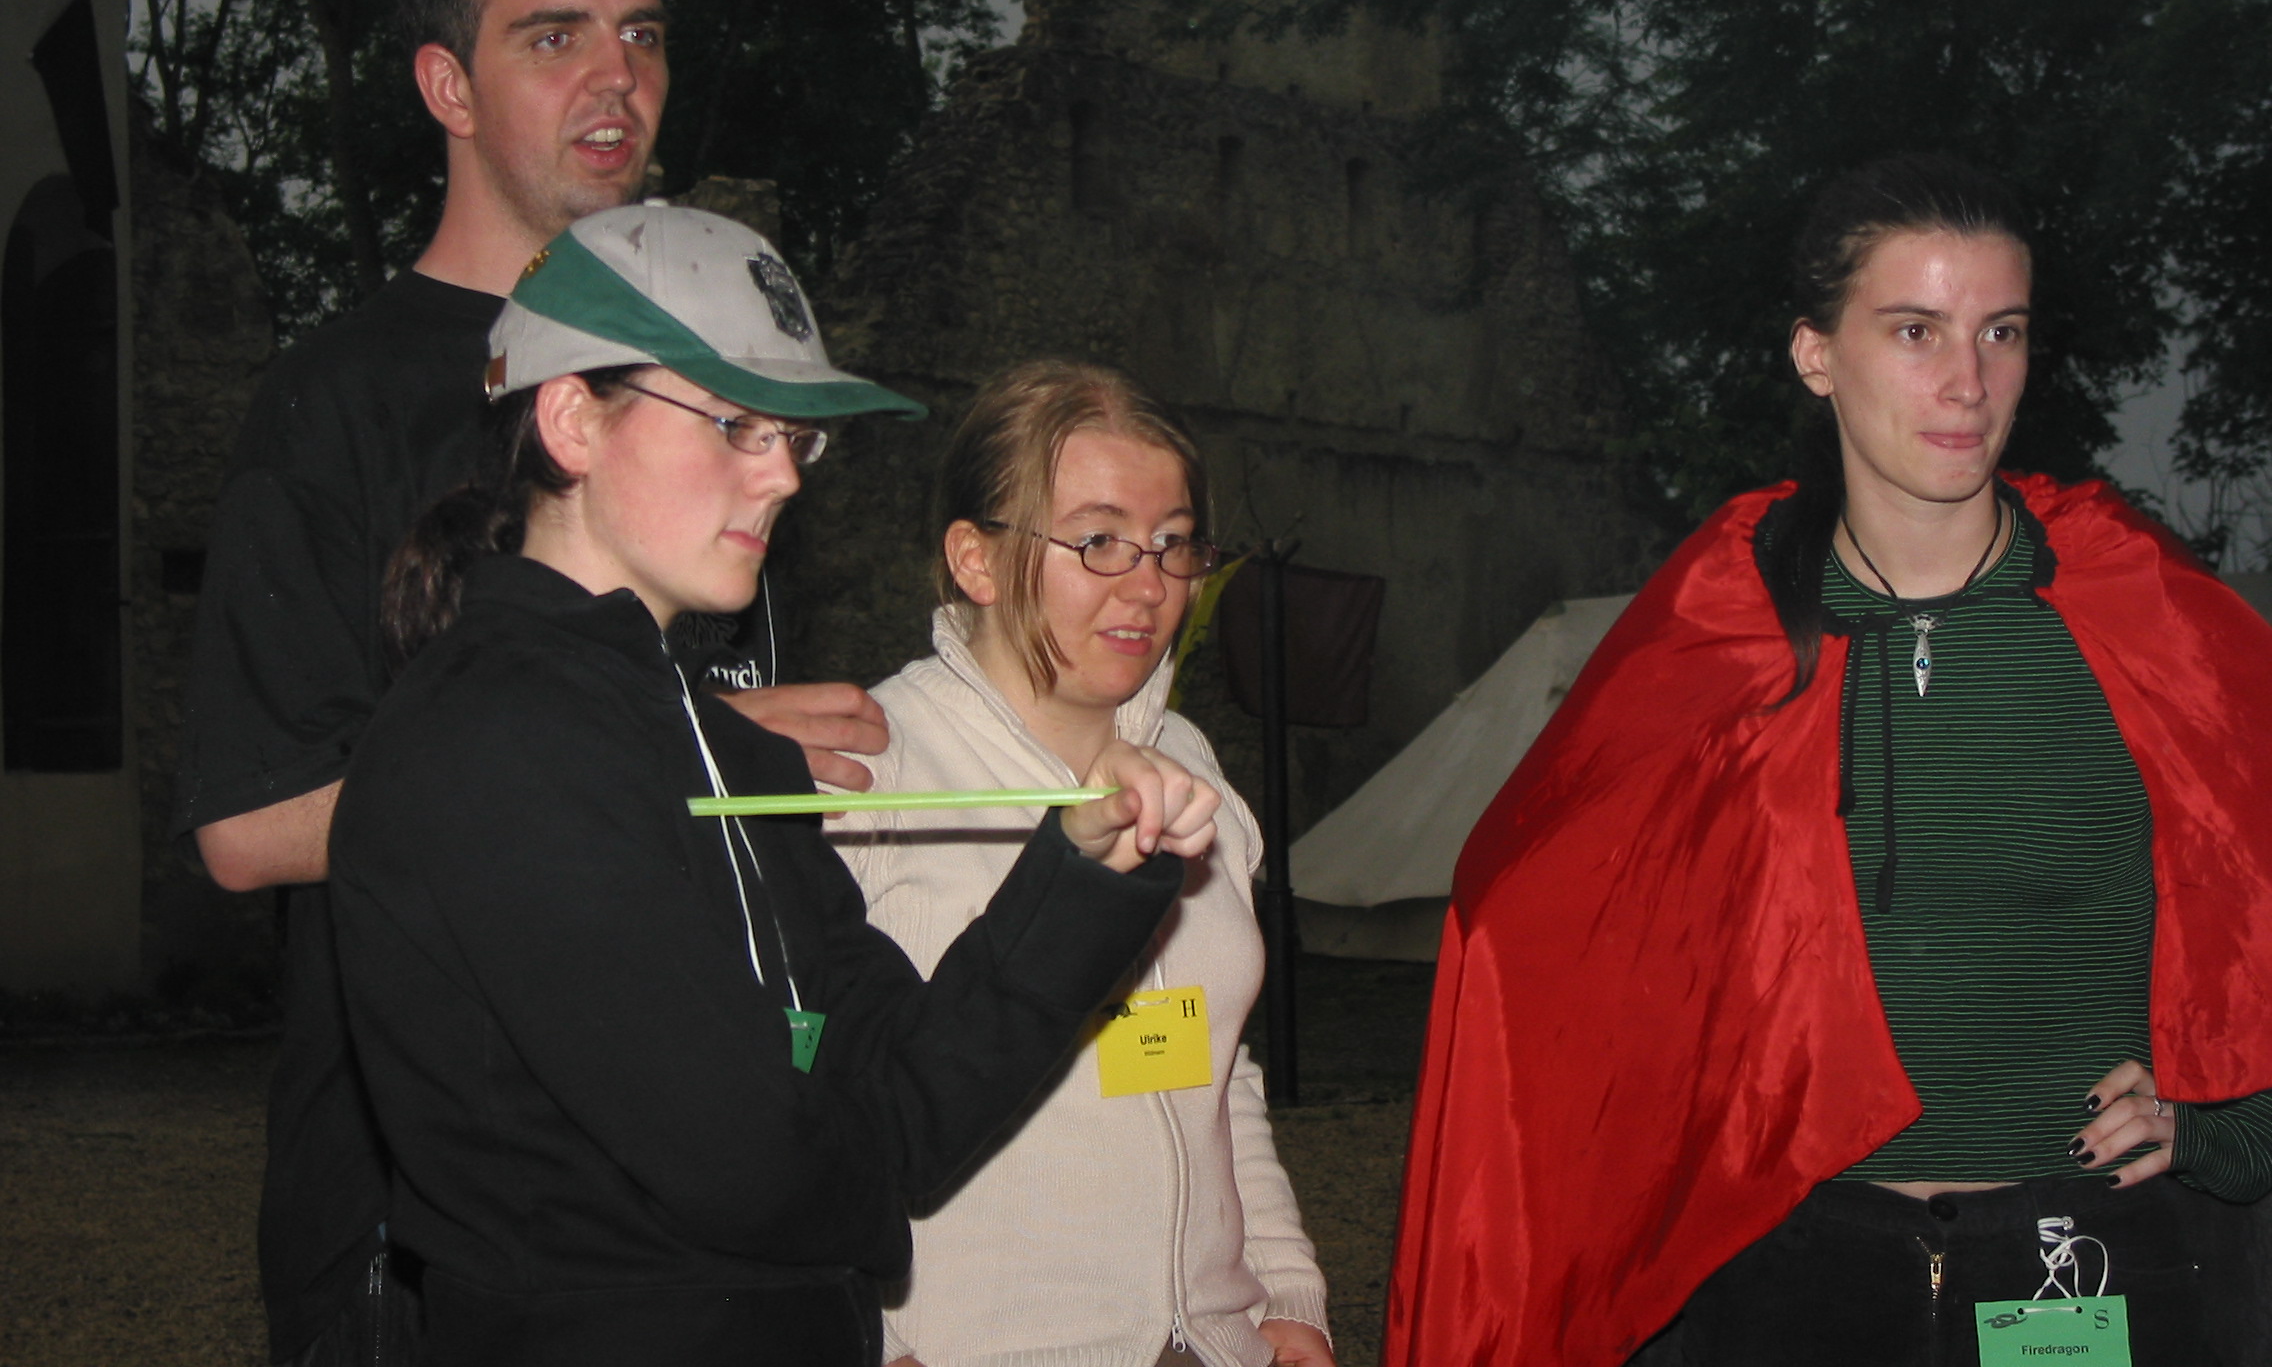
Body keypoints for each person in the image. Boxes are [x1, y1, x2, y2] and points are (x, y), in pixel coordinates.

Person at [1385, 154, 2272, 1367]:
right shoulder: (1725, 620)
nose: (1966, 381)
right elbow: (1533, 924)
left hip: (2090, 1266)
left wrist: (2230, 1131)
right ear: (1815, 354)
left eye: (2000, 331)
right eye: (1914, 330)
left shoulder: (2138, 614)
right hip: (1790, 1277)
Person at [173, 0, 885, 1365]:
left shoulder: (711, 387)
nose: (617, 77)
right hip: (434, 1251)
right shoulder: (337, 401)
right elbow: (243, 829)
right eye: (553, 35)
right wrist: (686, 742)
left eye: (644, 33)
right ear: (447, 83)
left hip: (705, 1220)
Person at [328, 205, 1215, 1367]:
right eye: (737, 424)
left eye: (794, 435)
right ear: (572, 420)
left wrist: (1082, 874)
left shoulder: (724, 748)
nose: (785, 474)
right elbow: (743, 1161)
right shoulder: (497, 736)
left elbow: (906, 1093)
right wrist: (875, 1203)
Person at [830, 360, 1335, 1367]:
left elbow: (1213, 1064)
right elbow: (803, 1105)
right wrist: (878, 1337)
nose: (1150, 586)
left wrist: (1286, 1292)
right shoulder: (868, 775)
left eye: (1174, 542)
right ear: (975, 559)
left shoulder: (1189, 763)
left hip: (1211, 1344)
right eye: (1098, 540)